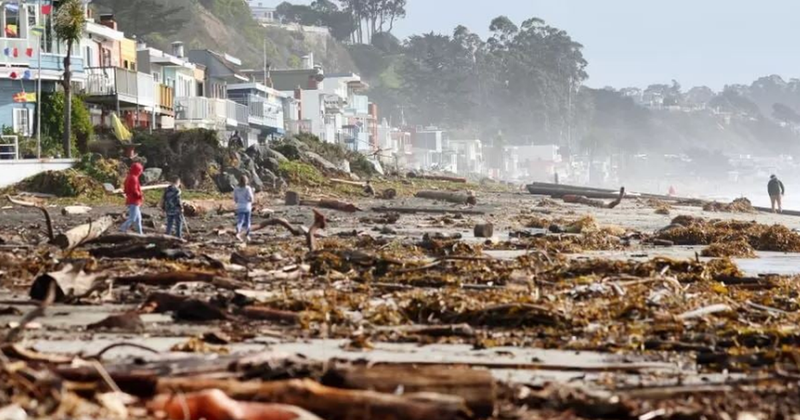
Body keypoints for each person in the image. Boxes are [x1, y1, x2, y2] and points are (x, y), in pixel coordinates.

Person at [120, 162, 144, 234]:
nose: (141, 172)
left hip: (131, 200)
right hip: (134, 201)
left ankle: (140, 233)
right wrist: (140, 195)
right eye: (140, 170)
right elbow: (134, 190)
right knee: (133, 218)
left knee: (138, 219)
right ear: (137, 170)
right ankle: (122, 228)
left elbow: (125, 189)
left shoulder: (129, 177)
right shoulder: (134, 178)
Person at [234, 174, 254, 242]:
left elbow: (235, 199)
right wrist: (251, 201)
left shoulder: (236, 189)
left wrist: (239, 202)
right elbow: (251, 198)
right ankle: (247, 235)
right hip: (247, 206)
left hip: (240, 206)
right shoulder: (248, 188)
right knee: (247, 221)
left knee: (240, 221)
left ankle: (238, 231)